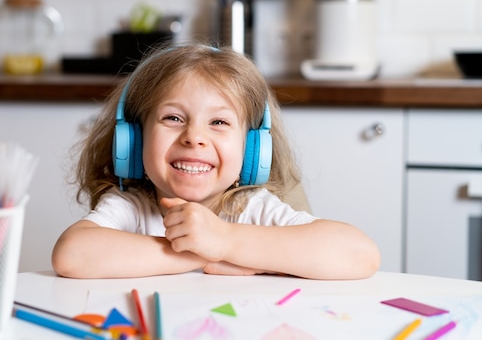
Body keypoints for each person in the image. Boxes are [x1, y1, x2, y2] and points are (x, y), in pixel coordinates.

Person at [52, 43, 380, 280]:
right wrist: (200, 252)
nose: (194, 137)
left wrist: (226, 239)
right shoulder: (133, 206)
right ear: (134, 140)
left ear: (252, 149)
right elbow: (72, 254)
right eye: (173, 118)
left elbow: (360, 255)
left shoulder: (250, 209)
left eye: (219, 123)